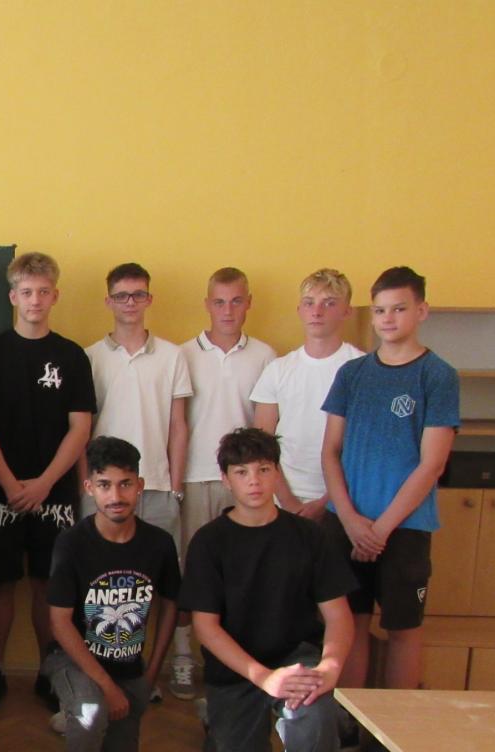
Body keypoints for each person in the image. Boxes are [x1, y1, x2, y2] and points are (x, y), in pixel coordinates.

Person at [179, 428, 355, 752]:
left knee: (318, 718)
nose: (254, 481)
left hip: (296, 660)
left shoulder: (309, 537)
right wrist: (263, 678)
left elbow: (338, 616)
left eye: (263, 469)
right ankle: (216, 725)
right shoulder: (209, 542)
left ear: (277, 473)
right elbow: (206, 628)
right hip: (236, 673)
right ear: (226, 480)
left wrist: (330, 667)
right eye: (242, 472)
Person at [322, 266, 459, 752]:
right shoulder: (352, 374)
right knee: (351, 623)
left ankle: (392, 737)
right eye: (380, 310)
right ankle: (350, 721)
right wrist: (351, 519)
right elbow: (330, 452)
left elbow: (432, 464)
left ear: (421, 311)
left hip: (404, 529)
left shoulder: (437, 375)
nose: (388, 319)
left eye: (399, 309)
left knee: (402, 629)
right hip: (347, 524)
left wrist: (380, 529)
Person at [0, 252, 95, 713]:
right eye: (26, 292)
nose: (35, 300)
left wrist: (43, 483)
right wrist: (9, 483)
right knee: (0, 584)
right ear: (12, 297)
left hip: (54, 491)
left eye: (43, 292)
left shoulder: (72, 356)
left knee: (48, 584)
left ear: (55, 295)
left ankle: (51, 671)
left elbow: (80, 428)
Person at [44, 437, 180, 752]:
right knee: (92, 710)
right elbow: (60, 623)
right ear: (90, 488)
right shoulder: (72, 542)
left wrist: (151, 675)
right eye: (104, 485)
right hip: (72, 659)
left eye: (125, 484)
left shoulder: (159, 543)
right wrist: (106, 688)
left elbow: (172, 605)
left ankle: (82, 715)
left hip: (129, 667)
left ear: (140, 486)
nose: (115, 496)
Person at [85, 262, 192, 701]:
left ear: (149, 299)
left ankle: (157, 671)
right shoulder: (90, 357)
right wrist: (87, 486)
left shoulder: (172, 356)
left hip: (158, 488)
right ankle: (100, 679)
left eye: (138, 294)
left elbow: (179, 425)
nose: (130, 302)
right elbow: (83, 427)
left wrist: (176, 486)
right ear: (108, 301)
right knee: (104, 591)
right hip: (103, 492)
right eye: (121, 295)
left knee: (160, 587)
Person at [174, 268, 275, 701]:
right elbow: (177, 423)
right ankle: (183, 658)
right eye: (219, 301)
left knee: (242, 575)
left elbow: (266, 428)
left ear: (248, 303)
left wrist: (255, 478)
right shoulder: (183, 354)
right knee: (191, 571)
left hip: (246, 484)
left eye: (236, 301)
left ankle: (234, 665)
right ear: (207, 305)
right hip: (196, 478)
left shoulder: (266, 356)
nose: (228, 310)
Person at [252, 269, 365, 520]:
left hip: (344, 500)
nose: (317, 311)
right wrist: (288, 501)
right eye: (309, 303)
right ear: (299, 310)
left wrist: (328, 501)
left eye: (329, 303)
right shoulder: (278, 369)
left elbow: (365, 445)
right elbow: (261, 443)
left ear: (347, 311)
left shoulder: (361, 368)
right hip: (282, 498)